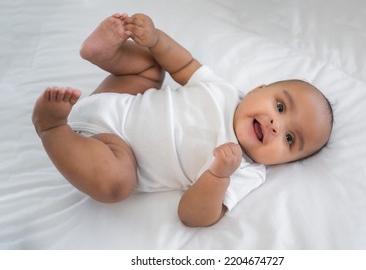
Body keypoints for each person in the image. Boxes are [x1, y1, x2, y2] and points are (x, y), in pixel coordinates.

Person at [32, 13, 333, 227]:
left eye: (290, 139)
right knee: (153, 68)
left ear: (283, 162)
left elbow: (192, 216)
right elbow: (183, 63)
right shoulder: (224, 90)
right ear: (258, 90)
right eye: (280, 106)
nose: (276, 126)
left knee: (116, 186)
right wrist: (155, 39)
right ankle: (104, 54)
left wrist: (218, 176)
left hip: (110, 150)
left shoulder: (245, 171)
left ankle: (52, 127)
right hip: (119, 99)